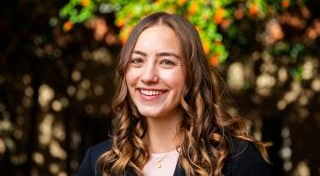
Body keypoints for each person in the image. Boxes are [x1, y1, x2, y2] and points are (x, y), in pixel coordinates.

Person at [78, 12, 272, 176]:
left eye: (166, 62)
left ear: (192, 75)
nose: (148, 76)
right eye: (137, 60)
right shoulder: (98, 162)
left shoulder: (236, 160)